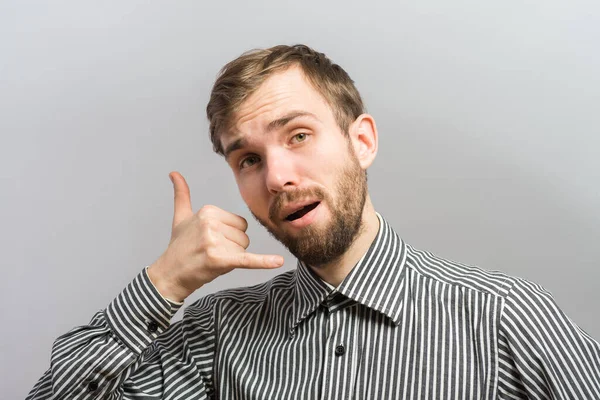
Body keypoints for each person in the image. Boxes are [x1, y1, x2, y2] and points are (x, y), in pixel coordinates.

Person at [27, 44, 600, 400]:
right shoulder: (215, 337)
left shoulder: (505, 316)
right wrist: (164, 285)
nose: (276, 176)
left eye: (298, 135)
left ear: (362, 141)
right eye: (247, 159)